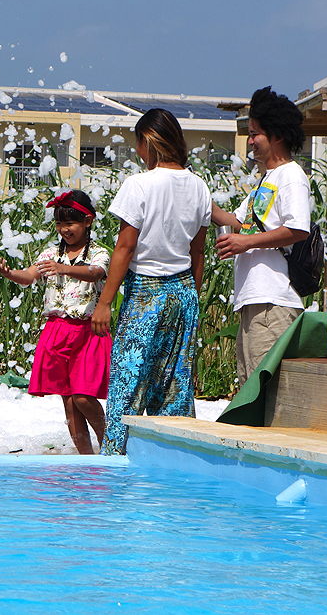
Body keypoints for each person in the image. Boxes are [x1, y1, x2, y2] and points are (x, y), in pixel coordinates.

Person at [91, 109, 211, 455]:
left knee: (128, 384)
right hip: (184, 293)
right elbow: (198, 253)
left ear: (149, 142)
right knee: (174, 388)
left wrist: (104, 302)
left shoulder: (139, 184)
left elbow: (125, 248)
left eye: (139, 145)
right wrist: (192, 300)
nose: (138, 152)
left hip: (146, 294)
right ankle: (173, 461)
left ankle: (116, 461)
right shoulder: (199, 186)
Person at [0, 190, 111, 454]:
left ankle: (111, 445)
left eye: (70, 223)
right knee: (69, 401)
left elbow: (95, 273)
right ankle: (86, 458)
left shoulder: (98, 253)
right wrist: (8, 273)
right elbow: (28, 277)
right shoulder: (50, 253)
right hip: (58, 331)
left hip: (88, 331)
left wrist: (64, 268)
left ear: (88, 221)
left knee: (83, 396)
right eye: (59, 223)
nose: (64, 229)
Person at [212, 86, 311, 385]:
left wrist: (246, 242)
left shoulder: (291, 175)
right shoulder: (265, 180)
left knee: (265, 391)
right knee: (250, 389)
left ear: (276, 136)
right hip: (254, 300)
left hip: (273, 303)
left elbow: (298, 228)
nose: (250, 141)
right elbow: (237, 222)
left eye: (255, 133)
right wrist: (199, 198)